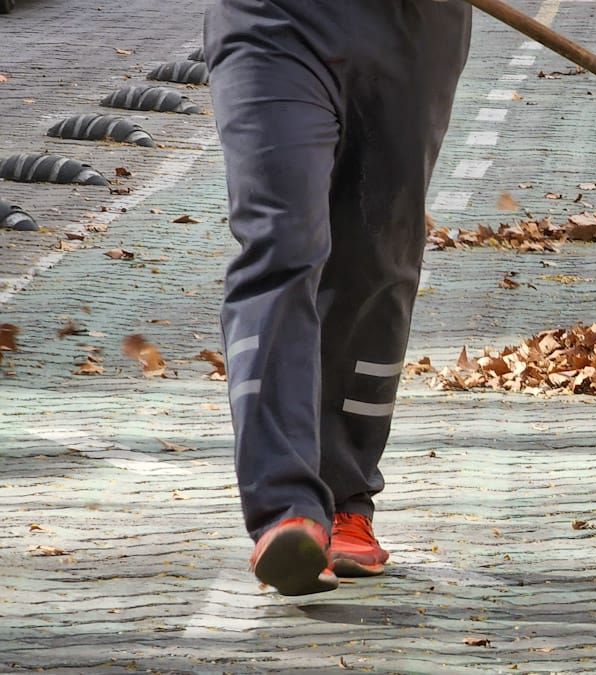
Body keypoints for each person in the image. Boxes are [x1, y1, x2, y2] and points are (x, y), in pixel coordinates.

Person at [204, 0, 472, 596]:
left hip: (412, 29)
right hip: (275, 22)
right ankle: (287, 509)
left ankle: (346, 497)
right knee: (280, 244)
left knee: (376, 262)